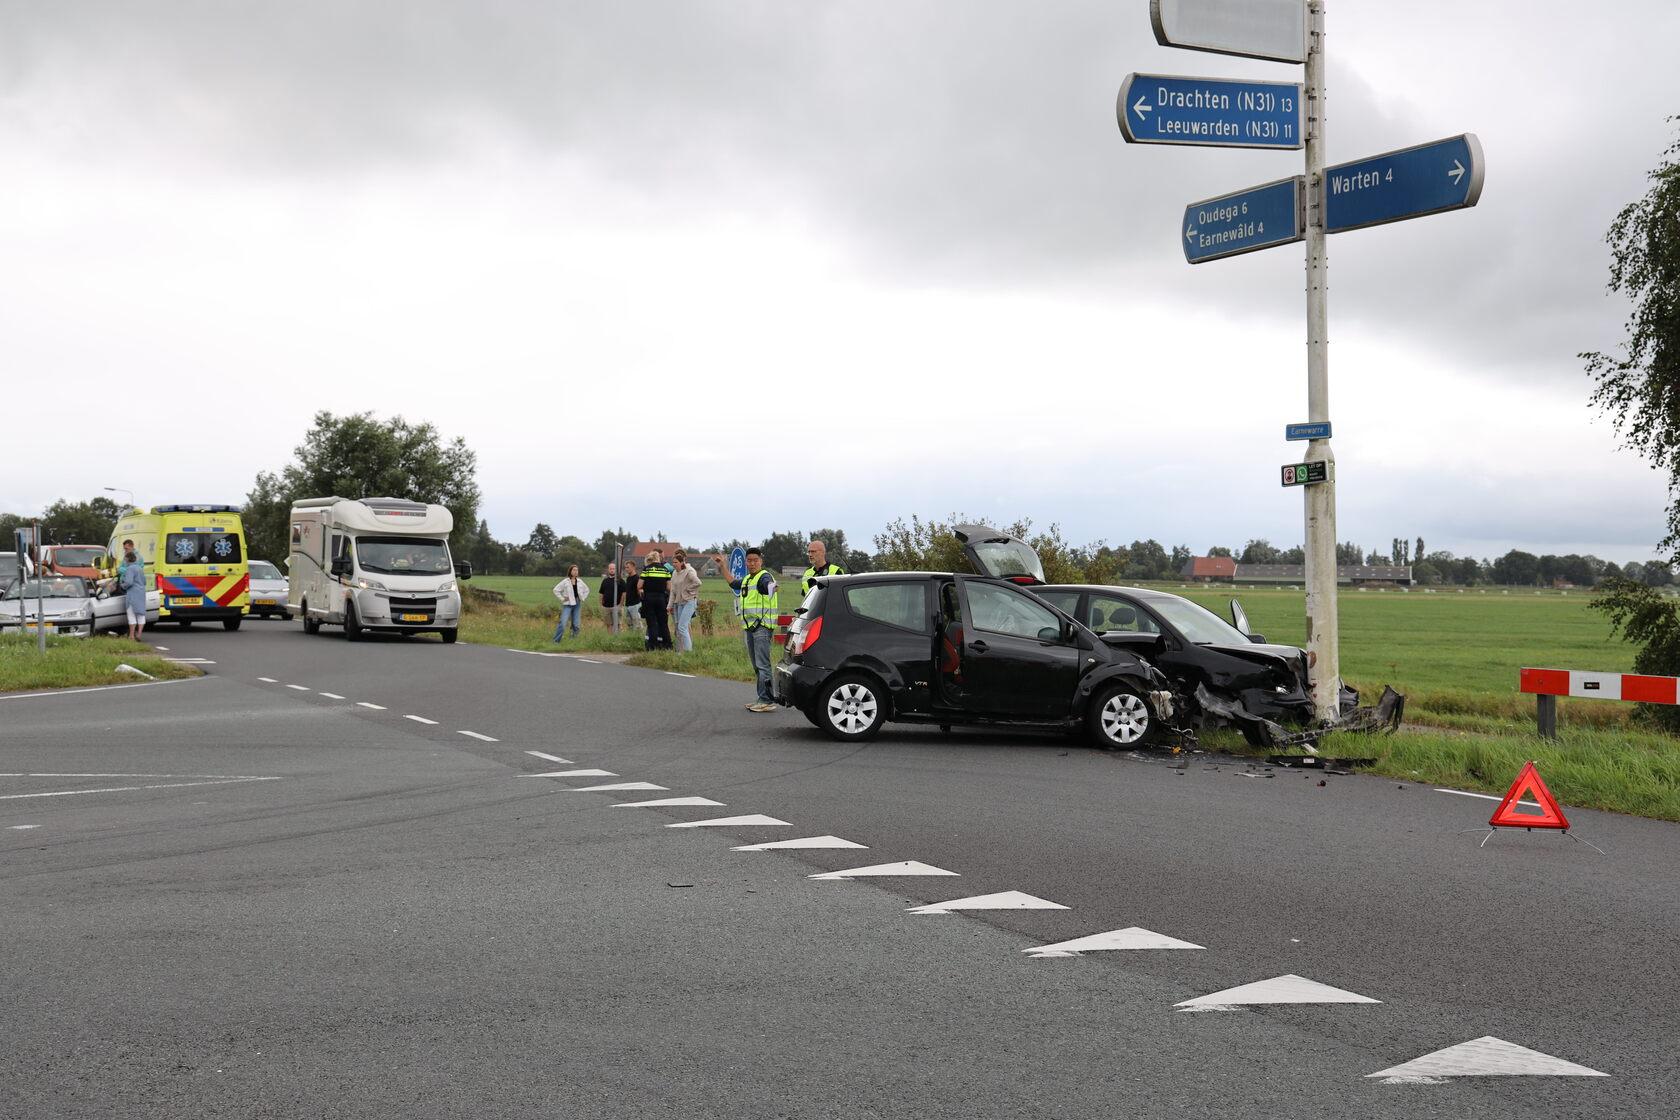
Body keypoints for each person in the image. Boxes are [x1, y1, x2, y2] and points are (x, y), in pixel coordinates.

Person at [722, 547, 779, 711]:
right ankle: (761, 698)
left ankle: (767, 700)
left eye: (755, 560)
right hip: (749, 627)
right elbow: (733, 583)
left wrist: (772, 587)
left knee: (763, 665)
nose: (752, 563)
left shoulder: (764, 577)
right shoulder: (747, 579)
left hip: (762, 627)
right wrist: (722, 567)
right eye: (749, 561)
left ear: (761, 561)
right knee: (757, 666)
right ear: (746, 562)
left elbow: (767, 585)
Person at [637, 549, 674, 650]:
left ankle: (653, 646)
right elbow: (669, 587)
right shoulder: (665, 570)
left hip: (649, 598)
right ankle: (668, 645)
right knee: (663, 623)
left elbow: (639, 585)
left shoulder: (647, 569)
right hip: (661, 598)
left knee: (652, 623)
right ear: (658, 558)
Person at [668, 550, 702, 653]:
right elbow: (673, 591)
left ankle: (688, 652)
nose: (674, 564)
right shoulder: (674, 573)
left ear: (682, 561)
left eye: (676, 562)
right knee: (680, 628)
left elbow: (698, 582)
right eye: (673, 562)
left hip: (689, 601)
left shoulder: (689, 571)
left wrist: (688, 589)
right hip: (679, 603)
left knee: (683, 627)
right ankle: (681, 651)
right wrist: (669, 606)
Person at [551, 563, 589, 641]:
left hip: (577, 604)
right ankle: (555, 641)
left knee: (576, 625)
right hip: (567, 604)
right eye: (574, 570)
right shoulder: (565, 581)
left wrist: (582, 598)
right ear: (570, 571)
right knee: (562, 623)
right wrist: (562, 598)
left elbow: (587, 590)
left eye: (577, 570)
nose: (575, 572)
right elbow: (555, 590)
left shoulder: (580, 581)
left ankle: (573, 640)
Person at [119, 548, 147, 641]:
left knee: (131, 614)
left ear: (127, 559)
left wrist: (122, 585)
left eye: (125, 559)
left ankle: (131, 635)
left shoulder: (129, 569)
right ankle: (139, 634)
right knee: (141, 614)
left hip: (133, 593)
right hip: (141, 593)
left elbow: (129, 582)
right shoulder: (140, 568)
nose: (124, 561)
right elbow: (144, 582)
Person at [598, 562, 624, 632]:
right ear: (608, 570)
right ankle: (611, 637)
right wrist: (601, 605)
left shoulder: (620, 580)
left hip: (616, 606)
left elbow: (624, 593)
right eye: (610, 569)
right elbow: (601, 593)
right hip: (606, 607)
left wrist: (621, 604)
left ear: (616, 570)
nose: (612, 570)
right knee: (609, 625)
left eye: (613, 569)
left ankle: (619, 637)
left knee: (618, 624)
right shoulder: (605, 581)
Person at [622, 560, 642, 628]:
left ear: (633, 567)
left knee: (637, 625)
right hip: (628, 605)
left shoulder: (637, 578)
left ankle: (639, 634)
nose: (626, 569)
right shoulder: (628, 578)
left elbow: (640, 590)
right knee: (630, 625)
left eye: (628, 567)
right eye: (625, 567)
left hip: (635, 605)